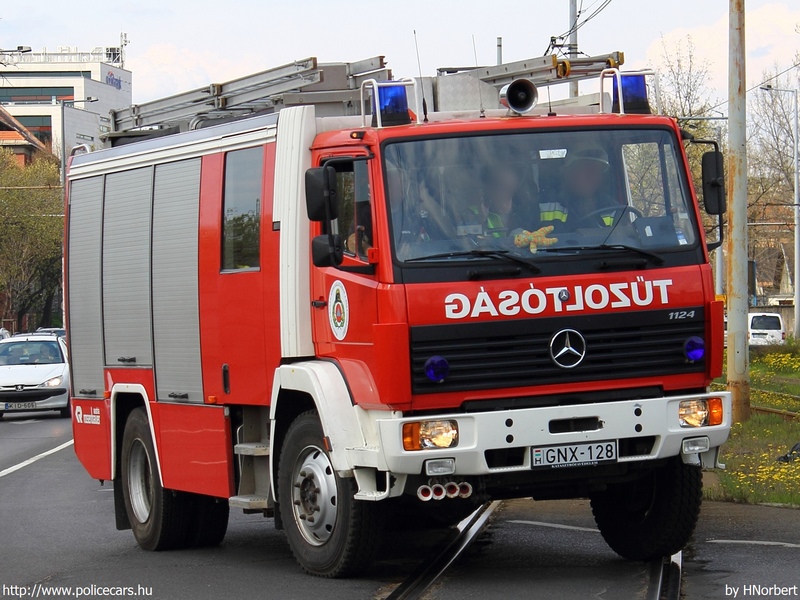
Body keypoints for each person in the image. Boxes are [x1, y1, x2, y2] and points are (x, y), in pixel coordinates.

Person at [541, 142, 618, 230]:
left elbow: (624, 239)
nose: (592, 175)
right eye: (586, 168)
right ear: (568, 172)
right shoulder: (542, 205)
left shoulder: (614, 209)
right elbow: (522, 236)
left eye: (597, 170)